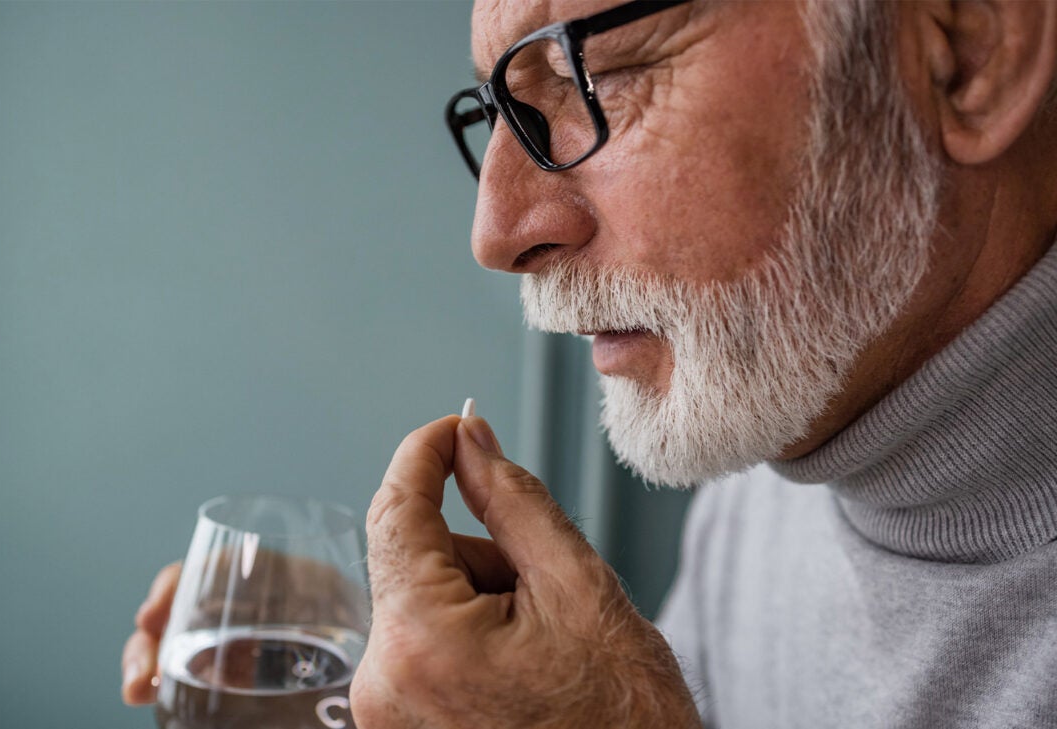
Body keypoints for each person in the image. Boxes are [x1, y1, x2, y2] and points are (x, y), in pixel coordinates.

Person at [123, 0, 1057, 725]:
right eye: (497, 109)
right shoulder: (778, 449)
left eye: (591, 74)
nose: (496, 232)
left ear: (968, 46)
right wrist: (393, 663)